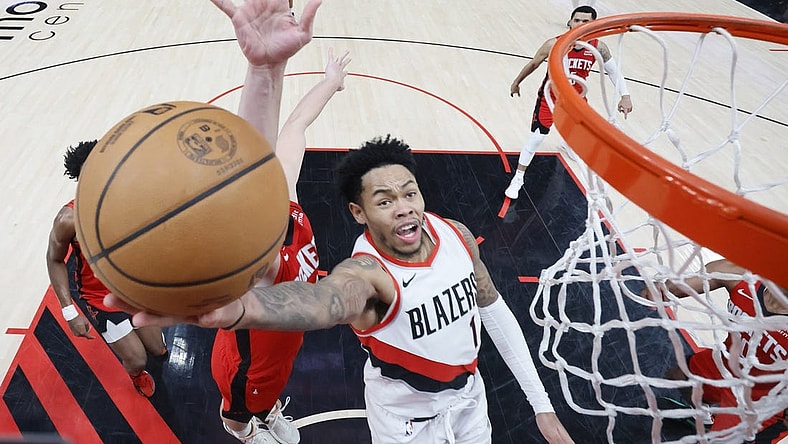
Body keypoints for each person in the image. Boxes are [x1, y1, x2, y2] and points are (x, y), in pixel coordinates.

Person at [109, 137, 575, 443]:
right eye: (384, 200)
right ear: (358, 213)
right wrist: (236, 311)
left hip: (471, 403)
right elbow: (320, 302)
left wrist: (542, 406)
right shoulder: (365, 274)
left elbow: (493, 310)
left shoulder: (453, 232)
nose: (403, 208)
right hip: (407, 422)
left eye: (409, 193)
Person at [205, 0, 336, 443]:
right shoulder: (255, 261)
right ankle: (247, 433)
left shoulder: (287, 198)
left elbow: (296, 125)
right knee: (239, 412)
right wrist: (261, 72)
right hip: (244, 366)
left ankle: (271, 409)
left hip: (280, 348)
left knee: (273, 389)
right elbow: (250, 163)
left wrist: (329, 83)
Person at [46, 141, 168, 398]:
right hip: (100, 299)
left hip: (132, 289)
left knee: (157, 349)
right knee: (138, 360)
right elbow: (54, 259)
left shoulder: (126, 199)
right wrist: (69, 312)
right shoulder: (68, 220)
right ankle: (136, 375)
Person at [644, 259, 787, 441]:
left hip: (760, 402)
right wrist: (663, 288)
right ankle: (704, 417)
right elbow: (703, 276)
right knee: (678, 377)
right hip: (725, 364)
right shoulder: (744, 277)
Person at [504, 5, 633, 199]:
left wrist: (625, 95)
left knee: (584, 135)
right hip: (550, 97)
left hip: (576, 100)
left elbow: (614, 72)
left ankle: (567, 144)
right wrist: (516, 82)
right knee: (537, 137)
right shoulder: (553, 44)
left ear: (593, 24)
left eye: (585, 21)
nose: (580, 24)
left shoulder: (598, 47)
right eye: (577, 20)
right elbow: (533, 63)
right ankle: (518, 178)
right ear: (570, 22)